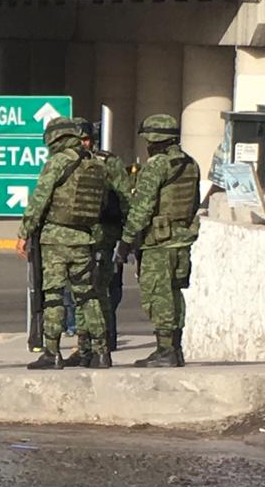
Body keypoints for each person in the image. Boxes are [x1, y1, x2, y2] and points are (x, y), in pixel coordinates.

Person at [15, 116, 110, 369]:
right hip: (83, 238)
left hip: (55, 239)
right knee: (87, 295)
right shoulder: (96, 164)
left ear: (54, 138)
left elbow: (40, 199)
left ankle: (52, 352)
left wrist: (24, 232)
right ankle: (101, 351)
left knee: (53, 295)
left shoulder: (57, 162)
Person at [117, 114, 201, 368]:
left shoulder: (157, 165)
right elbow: (194, 201)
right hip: (181, 240)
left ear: (155, 139)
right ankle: (175, 348)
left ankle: (165, 350)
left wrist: (127, 239)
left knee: (158, 295)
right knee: (174, 293)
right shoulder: (190, 163)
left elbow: (142, 206)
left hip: (159, 242)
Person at [66, 119, 133, 364]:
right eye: (79, 139)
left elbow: (125, 198)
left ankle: (101, 343)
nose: (84, 143)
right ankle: (84, 347)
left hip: (104, 235)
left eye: (87, 139)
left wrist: (127, 238)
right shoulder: (68, 162)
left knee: (100, 291)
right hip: (77, 235)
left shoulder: (108, 162)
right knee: (80, 292)